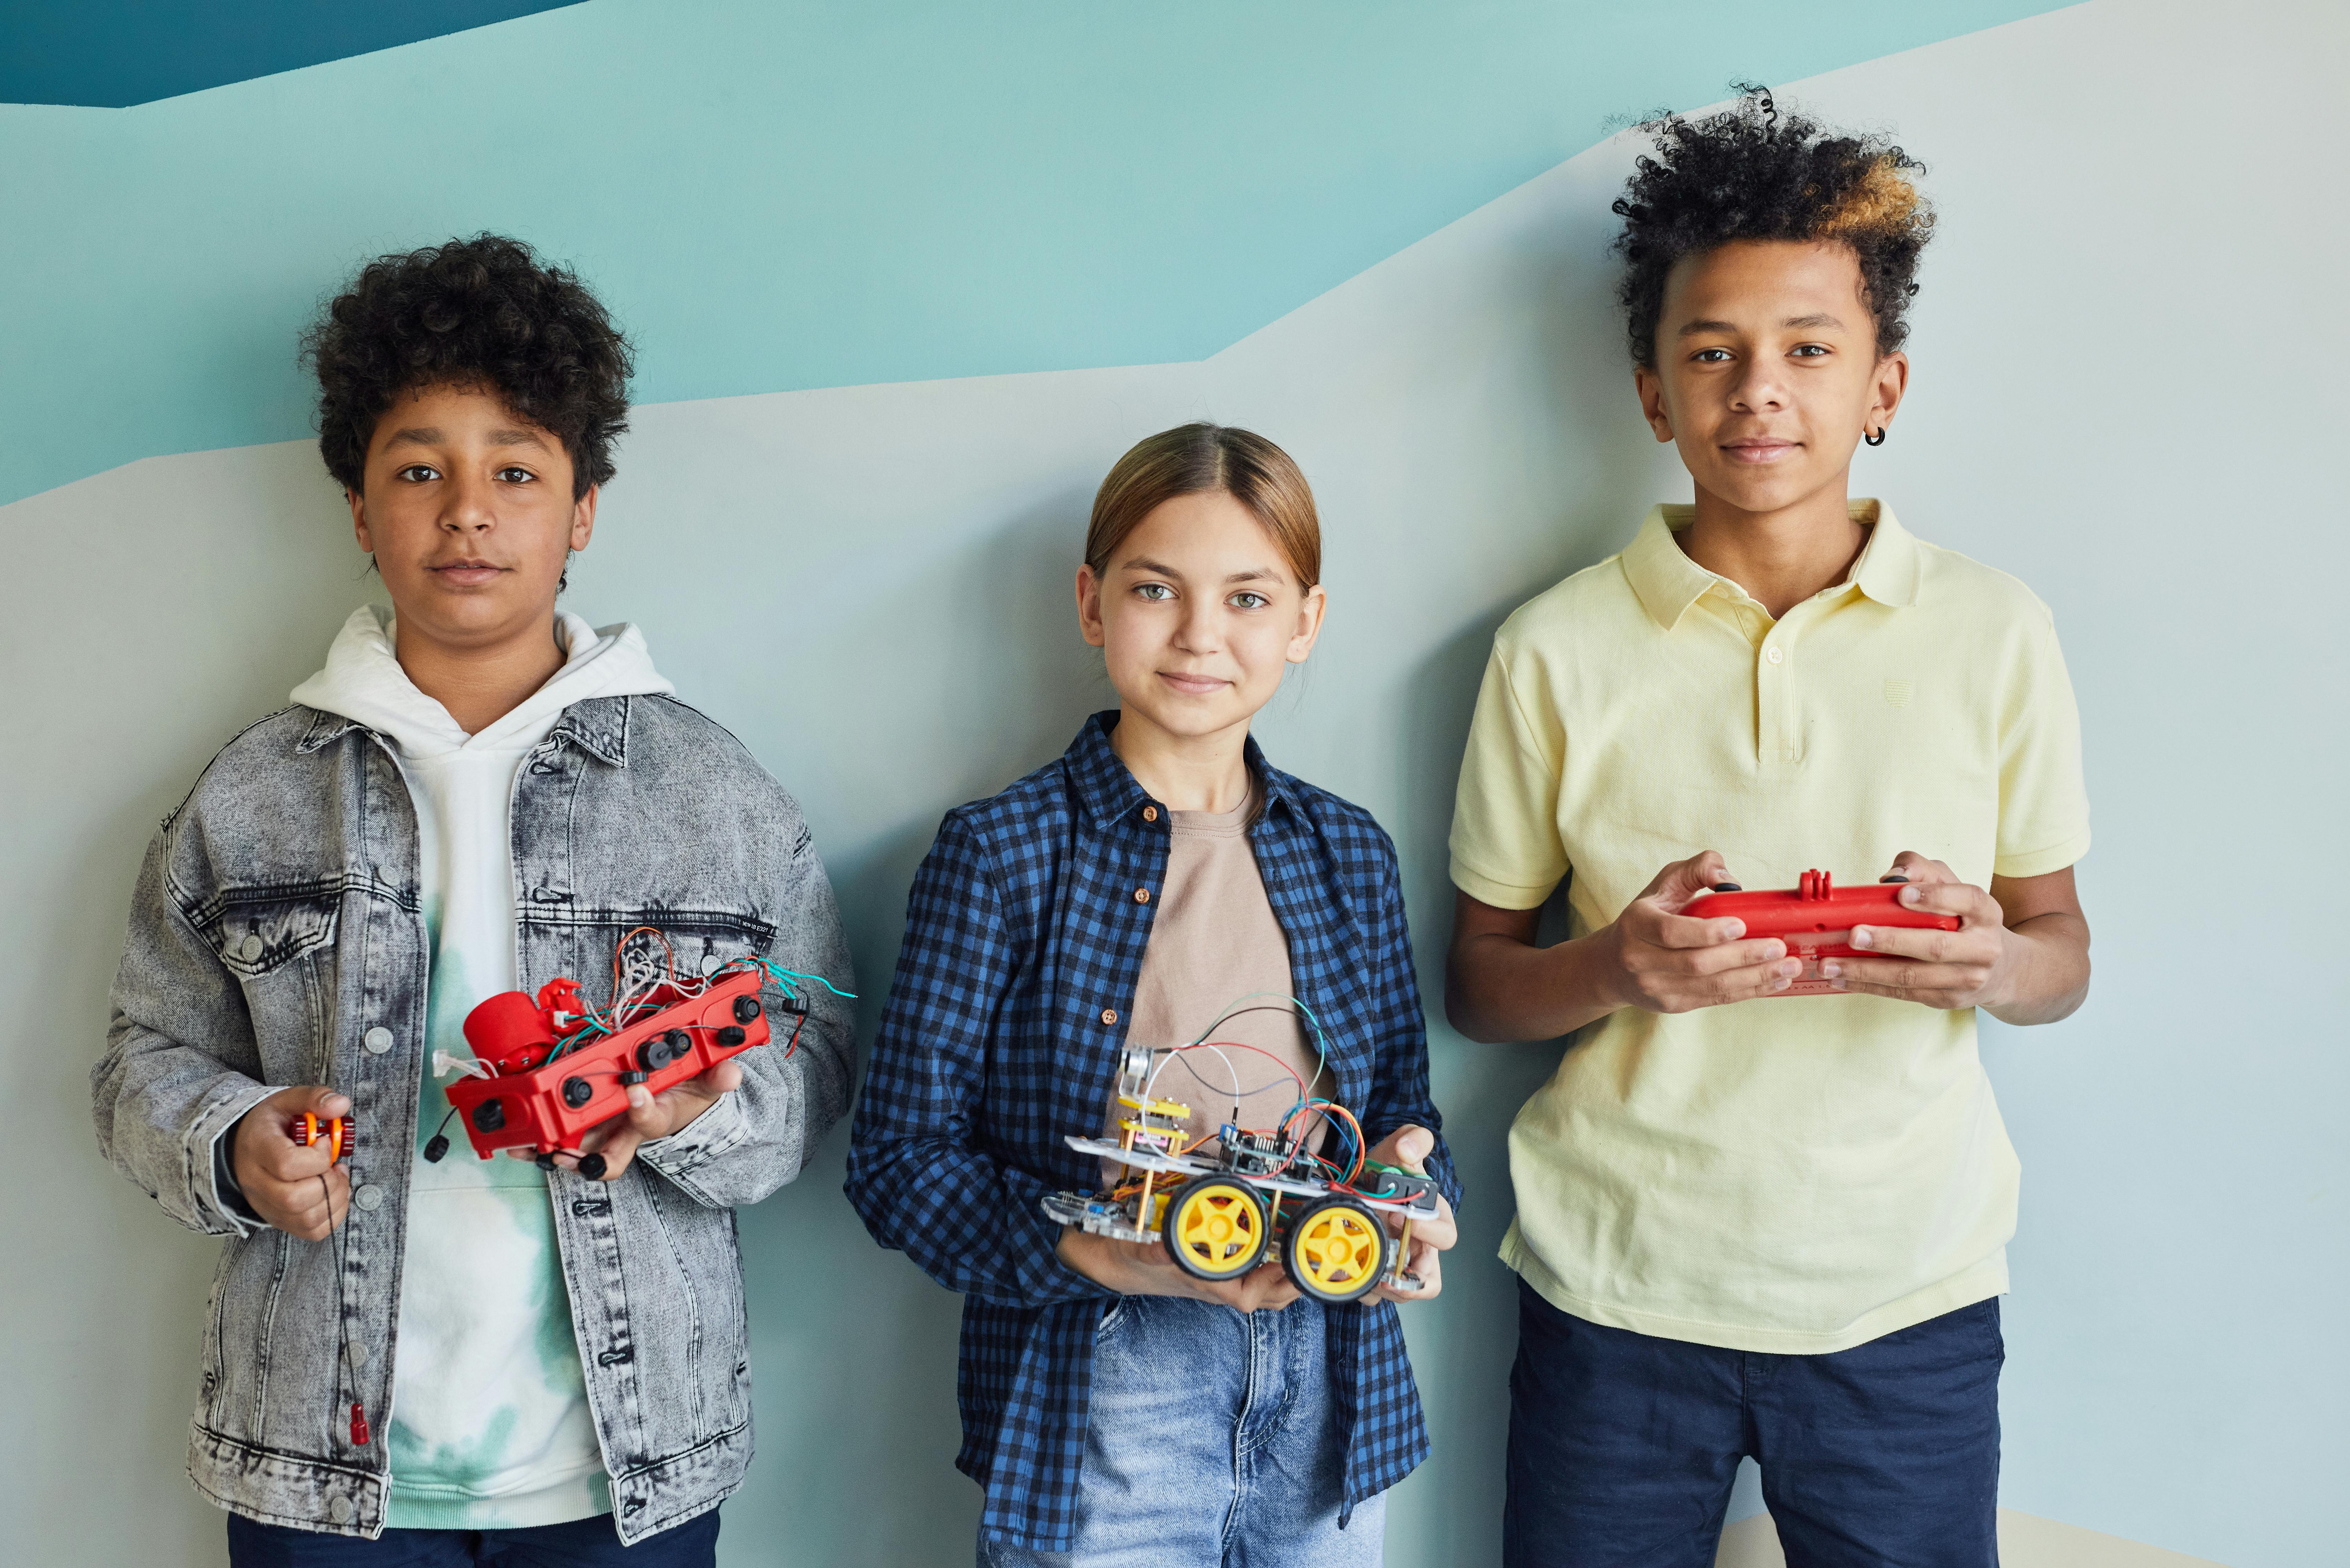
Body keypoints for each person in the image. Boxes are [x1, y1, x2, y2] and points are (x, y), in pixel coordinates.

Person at [91, 235, 855, 1564]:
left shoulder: (717, 795)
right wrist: (233, 1139)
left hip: (626, 1472)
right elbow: (136, 1065)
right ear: (357, 504)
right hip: (320, 1475)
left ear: (584, 507)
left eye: (515, 468)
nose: (467, 511)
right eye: (418, 469)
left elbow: (818, 1056)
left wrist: (693, 1110)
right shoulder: (254, 792)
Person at [1444, 92, 2093, 1568]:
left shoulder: (1998, 632)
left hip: (1905, 1299)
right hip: (1611, 1296)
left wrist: (1996, 963)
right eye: (1712, 353)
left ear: (1886, 384)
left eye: (1810, 350)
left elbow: (2063, 950)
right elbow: (1480, 981)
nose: (1761, 393)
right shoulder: (1552, 649)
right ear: (1652, 393)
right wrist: (1618, 966)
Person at [846, 423, 1460, 1566]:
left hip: (1332, 1384)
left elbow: (1406, 1114)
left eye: (1247, 598)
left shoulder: (1350, 853)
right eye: (1154, 590)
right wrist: (1095, 1253)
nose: (1199, 636)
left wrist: (1418, 1201)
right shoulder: (1001, 854)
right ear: (1092, 603)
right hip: (1105, 1388)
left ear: (1306, 625)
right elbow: (897, 1163)